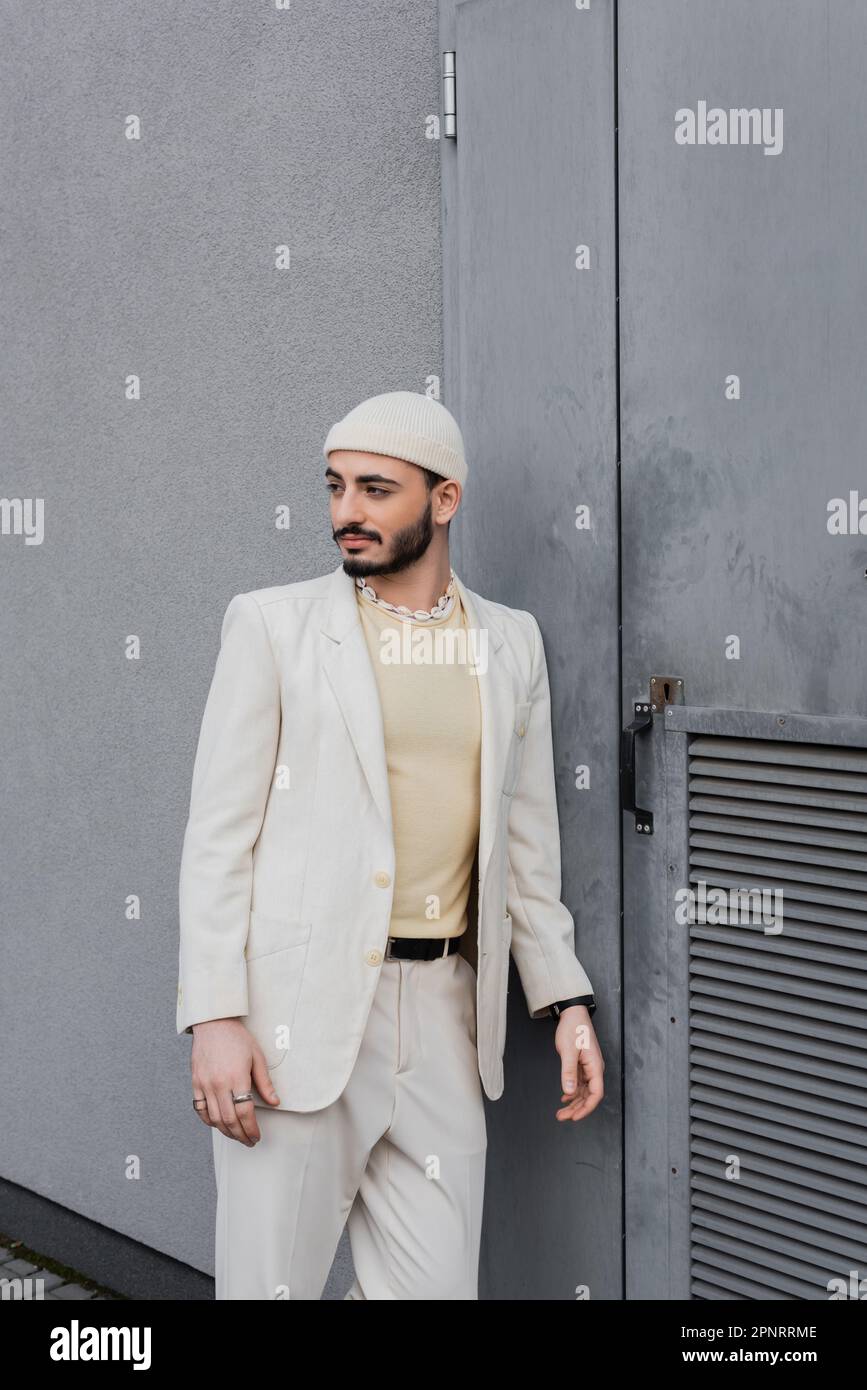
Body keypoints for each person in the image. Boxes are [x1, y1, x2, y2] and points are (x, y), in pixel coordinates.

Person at [176, 389, 605, 1299]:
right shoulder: (274, 627)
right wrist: (215, 1015)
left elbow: (525, 847)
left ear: (444, 500)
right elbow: (218, 835)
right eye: (335, 488)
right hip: (297, 1022)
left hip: (449, 1017)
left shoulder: (511, 644)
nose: (346, 513)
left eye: (375, 489)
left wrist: (564, 999)